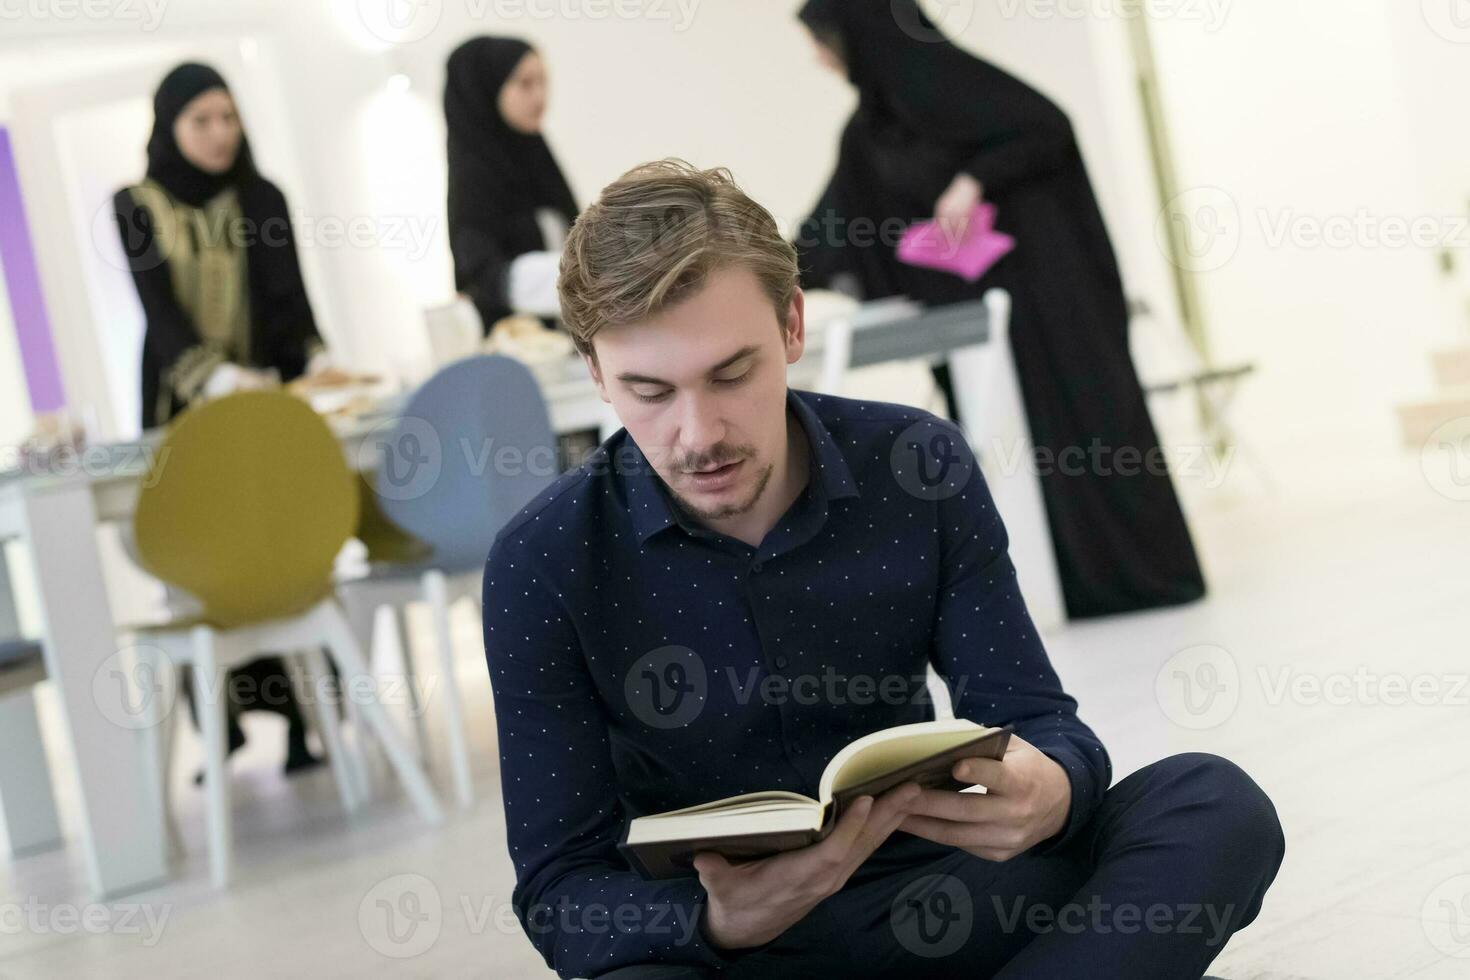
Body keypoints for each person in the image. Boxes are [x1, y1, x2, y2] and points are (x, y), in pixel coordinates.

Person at [483, 160, 1283, 979]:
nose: (698, 434)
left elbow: (1037, 719)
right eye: (648, 391)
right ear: (594, 374)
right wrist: (714, 918)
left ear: (792, 326)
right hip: (739, 953)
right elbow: (559, 892)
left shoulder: (915, 463)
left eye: (732, 374)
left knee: (1213, 804)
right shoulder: (541, 561)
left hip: (947, 896)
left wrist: (1056, 787)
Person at [792, 0, 1206, 620]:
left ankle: (1144, 576)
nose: (819, 56)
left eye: (825, 38)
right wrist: (765, 275)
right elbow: (832, 226)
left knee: (1082, 424)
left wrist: (975, 179)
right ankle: (1065, 588)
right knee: (1019, 444)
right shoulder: (869, 132)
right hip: (978, 324)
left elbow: (1047, 128)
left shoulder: (953, 87)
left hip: (1049, 302)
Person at [112, 62, 329, 774]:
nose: (219, 134)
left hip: (265, 409)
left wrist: (314, 364)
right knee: (201, 565)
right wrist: (219, 378)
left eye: (229, 117)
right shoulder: (137, 203)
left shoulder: (262, 195)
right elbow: (161, 314)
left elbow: (290, 302)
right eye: (201, 120)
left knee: (277, 551)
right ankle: (222, 725)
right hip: (181, 407)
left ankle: (306, 723)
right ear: (170, 125)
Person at [445, 35, 579, 331]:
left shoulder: (538, 157)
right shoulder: (475, 180)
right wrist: (583, 279)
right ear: (487, 89)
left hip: (572, 340)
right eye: (525, 83)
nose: (540, 96)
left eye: (543, 82)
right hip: (516, 348)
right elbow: (484, 277)